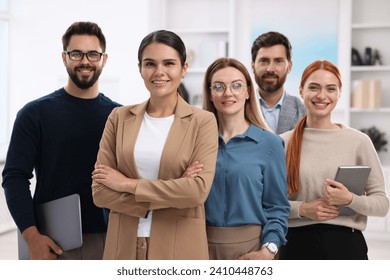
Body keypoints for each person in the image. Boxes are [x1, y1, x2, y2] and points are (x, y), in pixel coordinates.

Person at [91, 30, 218, 260]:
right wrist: (173, 191)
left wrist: (126, 184)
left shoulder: (203, 122)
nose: (159, 72)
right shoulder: (118, 118)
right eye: (150, 64)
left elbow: (196, 191)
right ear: (140, 68)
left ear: (184, 68)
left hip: (180, 246)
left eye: (169, 63)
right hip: (123, 245)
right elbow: (100, 192)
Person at [1, 21, 120, 260]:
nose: (85, 61)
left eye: (93, 54)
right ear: (64, 57)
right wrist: (31, 236)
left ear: (104, 59)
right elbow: (14, 177)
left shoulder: (120, 117)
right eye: (76, 53)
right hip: (51, 241)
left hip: (110, 239)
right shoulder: (34, 114)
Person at [278, 60, 390, 260]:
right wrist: (303, 209)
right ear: (301, 91)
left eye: (330, 89)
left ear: (339, 93)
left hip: (346, 247)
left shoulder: (358, 141)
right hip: (295, 246)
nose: (322, 96)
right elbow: (266, 204)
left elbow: (381, 204)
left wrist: (350, 200)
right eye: (314, 87)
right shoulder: (283, 142)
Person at [202, 57, 290, 260]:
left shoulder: (270, 144)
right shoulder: (196, 142)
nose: (228, 93)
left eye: (236, 86)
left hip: (252, 249)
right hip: (198, 246)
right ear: (210, 94)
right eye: (218, 86)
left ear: (248, 92)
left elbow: (277, 208)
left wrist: (268, 251)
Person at [251, 31, 306, 134]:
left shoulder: (302, 110)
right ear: (253, 66)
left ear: (289, 67)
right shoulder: (240, 107)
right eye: (264, 61)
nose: (270, 69)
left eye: (278, 61)